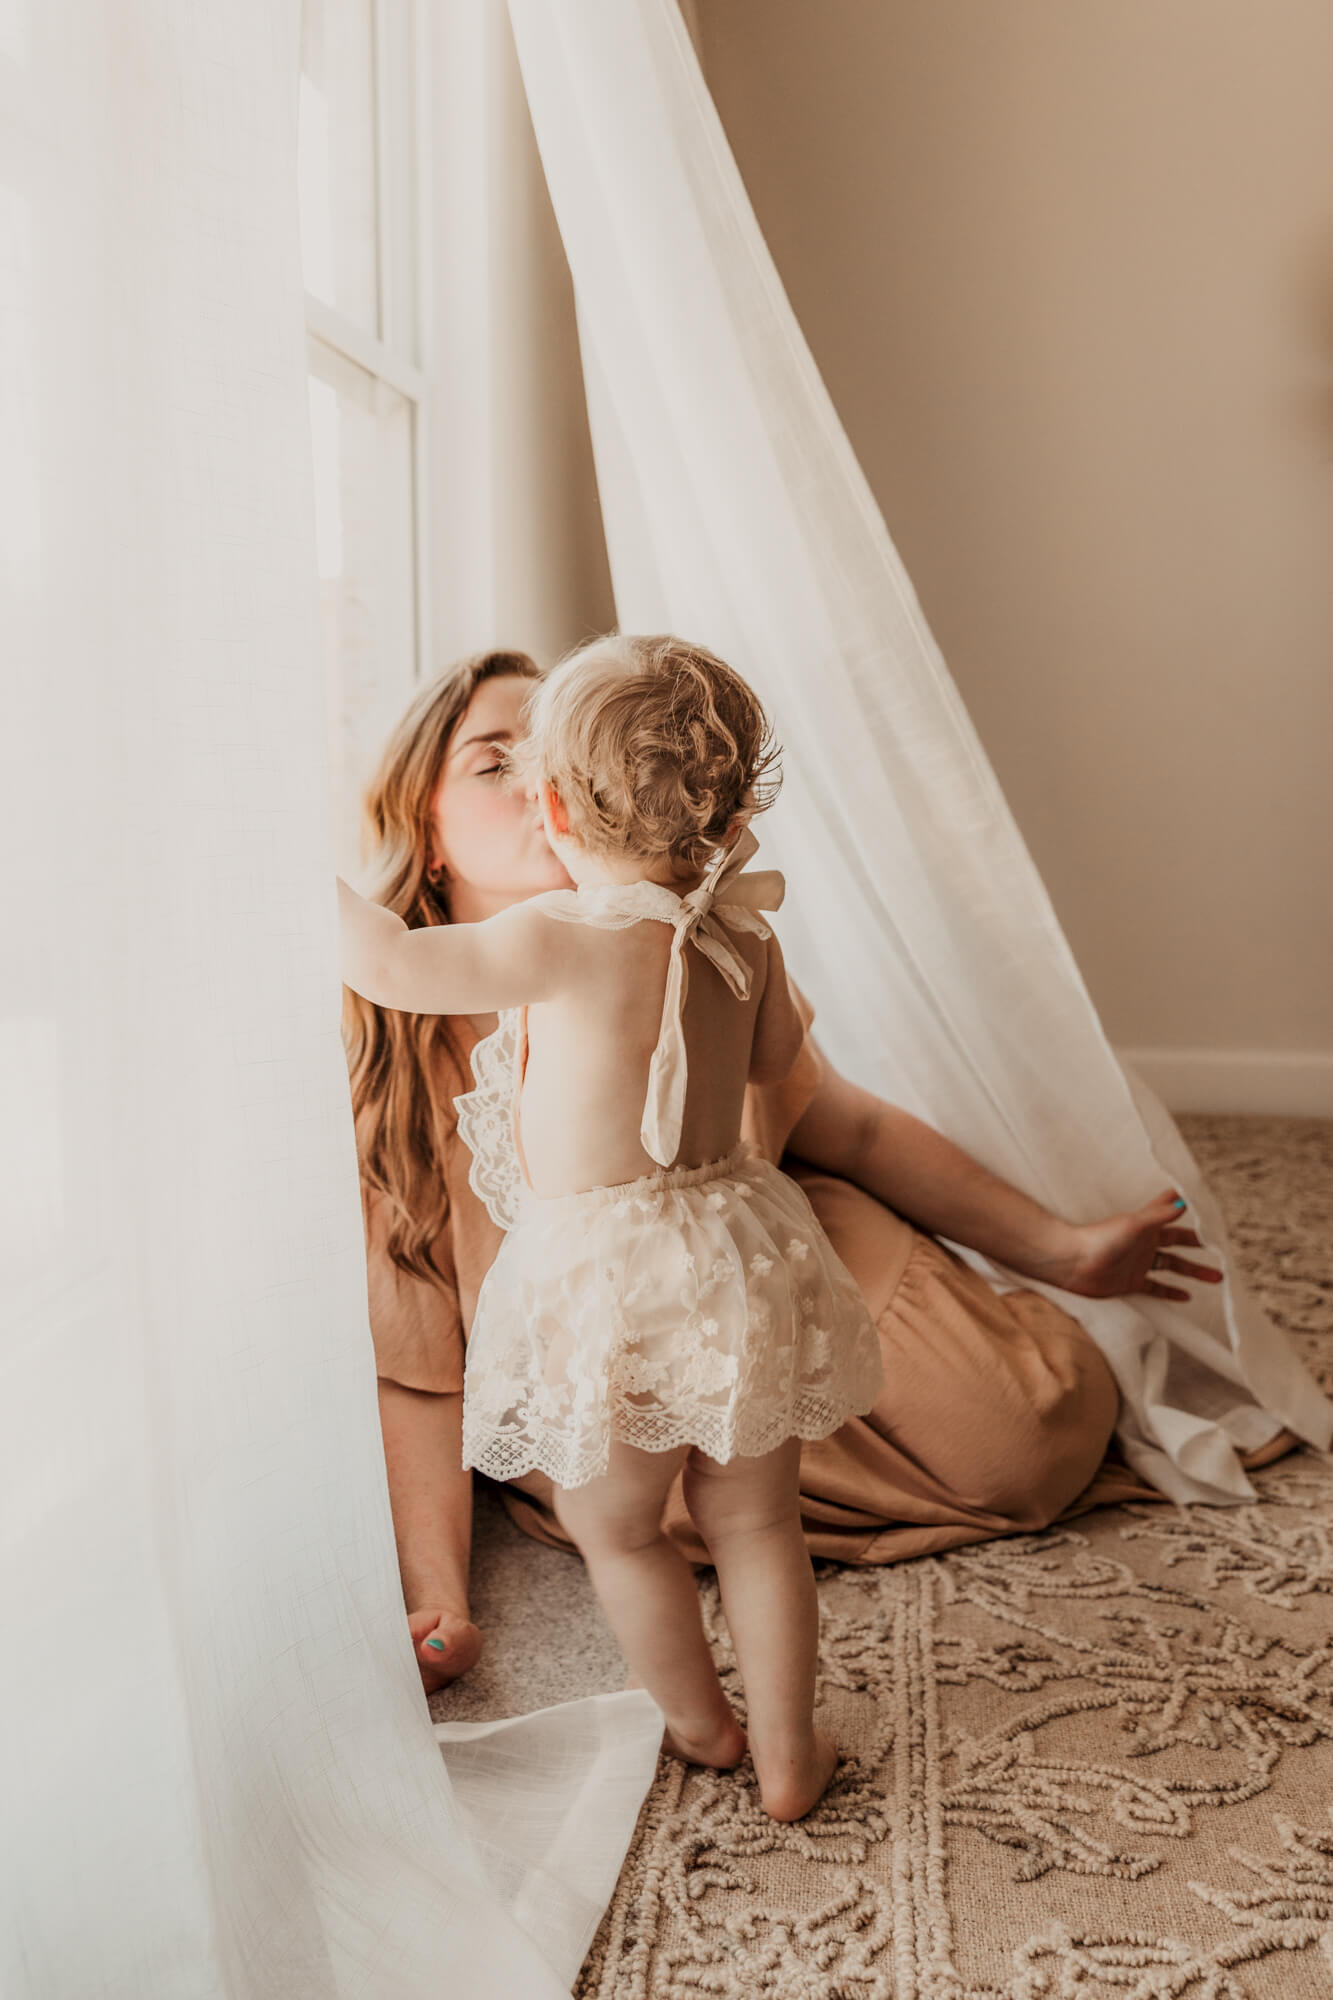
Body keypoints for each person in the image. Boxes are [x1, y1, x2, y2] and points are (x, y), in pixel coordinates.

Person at [341, 645, 1296, 1702]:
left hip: (760, 1251)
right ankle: (771, 1606)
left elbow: (851, 1126)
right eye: (491, 761)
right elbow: (415, 1360)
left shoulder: (692, 939)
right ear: (423, 832)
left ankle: (782, 1580)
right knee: (644, 1505)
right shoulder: (391, 1057)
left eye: (549, 750)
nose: (532, 779)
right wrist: (439, 1592)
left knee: (1031, 1432)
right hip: (603, 1348)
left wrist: (1064, 1249)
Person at [340, 634, 891, 1819]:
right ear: (727, 804)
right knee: (757, 1519)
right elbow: (781, 1065)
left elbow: (388, 962)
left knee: (621, 1525)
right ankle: (794, 1753)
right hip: (738, 1237)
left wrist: (288, 861)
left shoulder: (559, 938)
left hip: (607, 1269)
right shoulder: (745, 934)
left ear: (550, 804)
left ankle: (705, 1728)